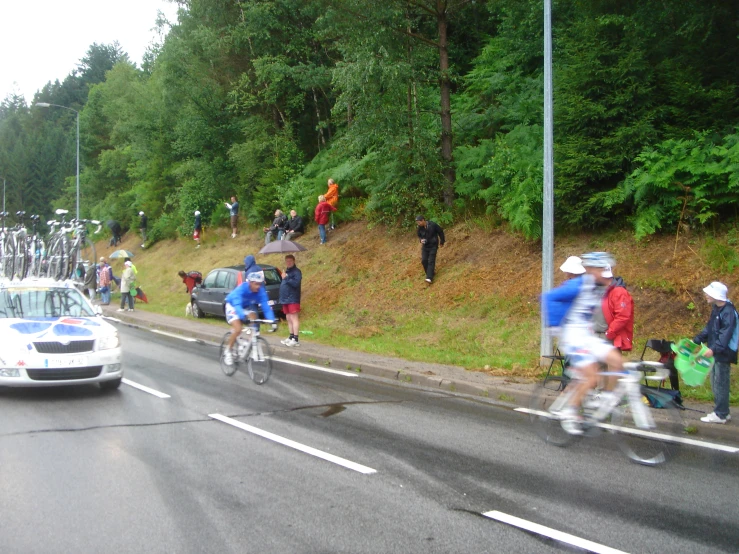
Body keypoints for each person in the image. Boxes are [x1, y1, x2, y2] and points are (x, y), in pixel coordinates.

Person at [542, 252, 624, 435]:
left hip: (587, 336)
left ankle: (607, 400)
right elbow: (548, 298)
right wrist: (554, 327)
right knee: (591, 377)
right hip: (572, 336)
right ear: (592, 270)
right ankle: (570, 412)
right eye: (602, 270)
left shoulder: (600, 287)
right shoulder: (578, 284)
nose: (606, 274)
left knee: (616, 361)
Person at [693, 282, 737, 424]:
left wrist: (713, 349)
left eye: (709, 293)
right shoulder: (717, 309)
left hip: (724, 353)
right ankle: (722, 411)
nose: (705, 295)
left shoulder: (728, 312)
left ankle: (721, 414)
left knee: (720, 383)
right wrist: (696, 340)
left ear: (716, 295)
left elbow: (725, 335)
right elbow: (710, 328)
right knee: (715, 381)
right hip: (717, 351)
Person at [222, 272, 277, 365]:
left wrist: (272, 321)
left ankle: (249, 342)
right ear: (250, 283)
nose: (258, 286)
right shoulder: (241, 289)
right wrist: (243, 317)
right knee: (238, 329)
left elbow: (266, 307)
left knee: (254, 317)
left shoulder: (261, 292)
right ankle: (228, 351)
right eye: (256, 284)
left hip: (245, 306)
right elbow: (237, 306)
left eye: (260, 284)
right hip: (233, 305)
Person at [592, 264, 634, 352]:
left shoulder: (619, 292)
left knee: (610, 365)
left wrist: (609, 333)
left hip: (608, 338)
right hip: (596, 336)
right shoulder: (598, 290)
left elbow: (623, 317)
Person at [279, 254, 302, 347]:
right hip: (285, 299)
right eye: (287, 261)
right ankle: (291, 336)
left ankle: (296, 339)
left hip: (293, 298)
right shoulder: (286, 272)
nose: (288, 263)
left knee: (294, 318)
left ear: (294, 261)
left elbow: (296, 283)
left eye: (290, 261)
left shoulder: (297, 272)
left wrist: (286, 278)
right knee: (288, 318)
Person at [415, 215, 445, 283]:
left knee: (431, 260)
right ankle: (431, 272)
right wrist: (421, 240)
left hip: (433, 245)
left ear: (423, 220)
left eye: (419, 222)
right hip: (425, 246)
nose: (418, 224)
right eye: (417, 223)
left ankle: (429, 277)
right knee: (424, 260)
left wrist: (442, 241)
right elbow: (419, 235)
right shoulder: (419, 228)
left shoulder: (432, 225)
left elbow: (440, 231)